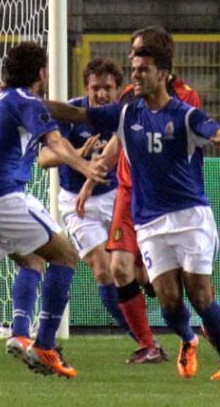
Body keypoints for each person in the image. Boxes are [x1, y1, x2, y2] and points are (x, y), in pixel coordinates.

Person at [46, 42, 220, 381]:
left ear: (162, 74)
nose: (135, 75)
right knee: (168, 301)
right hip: (149, 222)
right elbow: (76, 114)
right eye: (134, 69)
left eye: (143, 69)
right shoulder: (126, 113)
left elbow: (214, 129)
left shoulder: (184, 114)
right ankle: (188, 339)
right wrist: (29, 102)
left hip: (190, 217)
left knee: (200, 296)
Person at [0, 42, 105, 379]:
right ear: (42, 73)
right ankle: (45, 345)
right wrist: (84, 166)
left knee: (33, 260)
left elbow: (54, 114)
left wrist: (85, 117)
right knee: (66, 256)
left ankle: (21, 332)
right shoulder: (25, 101)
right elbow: (54, 141)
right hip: (1, 195)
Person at [76, 26, 203, 371]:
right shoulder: (129, 95)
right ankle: (148, 345)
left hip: (167, 200)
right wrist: (91, 180)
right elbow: (119, 140)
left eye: (137, 51)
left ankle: (196, 327)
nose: (131, 58)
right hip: (129, 192)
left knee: (180, 282)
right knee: (118, 268)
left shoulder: (187, 98)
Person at [38, 58, 167, 363]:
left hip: (118, 197)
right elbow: (44, 158)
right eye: (95, 88)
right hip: (77, 204)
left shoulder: (123, 115)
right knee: (104, 270)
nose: (101, 94)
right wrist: (76, 155)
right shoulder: (71, 114)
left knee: (142, 272)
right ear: (86, 88)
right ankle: (146, 342)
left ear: (117, 89)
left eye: (107, 88)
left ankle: (165, 315)